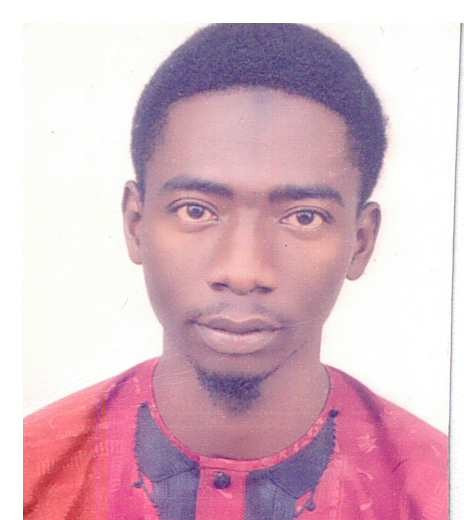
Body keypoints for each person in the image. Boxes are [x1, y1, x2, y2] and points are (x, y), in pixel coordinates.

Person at [24, 23, 448, 519]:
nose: (243, 271)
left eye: (303, 217)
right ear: (136, 224)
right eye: (196, 210)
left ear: (361, 241)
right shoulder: (26, 476)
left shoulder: (438, 493)